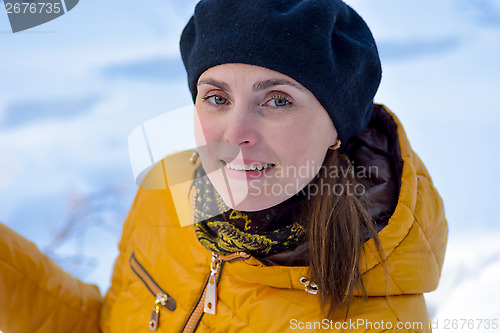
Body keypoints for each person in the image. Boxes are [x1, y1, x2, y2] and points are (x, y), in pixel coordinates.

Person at [0, 0, 448, 332]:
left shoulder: (378, 319)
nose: (235, 133)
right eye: (217, 98)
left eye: (277, 100)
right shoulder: (172, 187)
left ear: (336, 128)